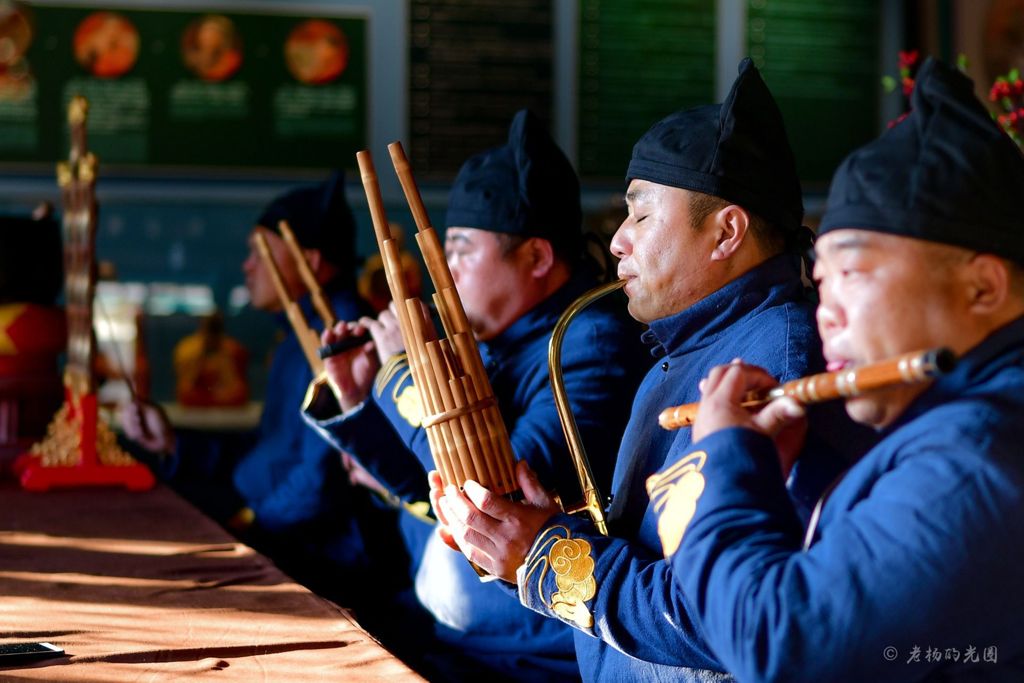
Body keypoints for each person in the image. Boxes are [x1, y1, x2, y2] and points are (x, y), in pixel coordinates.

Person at [432, 59, 871, 680]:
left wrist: (545, 557)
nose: (617, 242)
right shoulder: (682, 353)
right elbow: (640, 573)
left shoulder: (776, 361)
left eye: (640, 215)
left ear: (726, 232)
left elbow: (721, 616)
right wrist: (536, 540)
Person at [650, 57, 1024, 682]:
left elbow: (778, 644)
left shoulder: (977, 458)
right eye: (820, 284)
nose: (828, 315)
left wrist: (726, 461)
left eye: (852, 275)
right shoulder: (955, 423)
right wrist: (768, 477)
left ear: (982, 287)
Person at [303, 109, 648, 681]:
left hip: (529, 653)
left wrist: (400, 375)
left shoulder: (590, 340)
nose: (446, 275)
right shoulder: (498, 343)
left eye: (460, 251)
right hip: (458, 634)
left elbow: (491, 493)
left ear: (537, 257)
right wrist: (362, 397)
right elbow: (429, 492)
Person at [121, 172, 396, 605]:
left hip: (322, 560)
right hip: (275, 530)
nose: (247, 265)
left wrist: (249, 523)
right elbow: (271, 452)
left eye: (260, 253)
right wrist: (174, 443)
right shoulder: (294, 338)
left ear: (312, 260)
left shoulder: (341, 338)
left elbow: (321, 482)